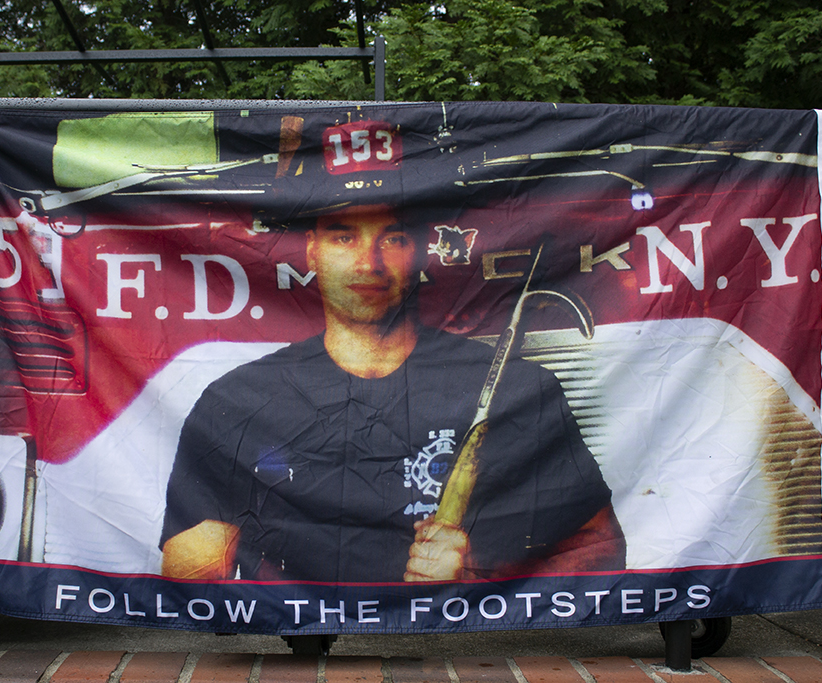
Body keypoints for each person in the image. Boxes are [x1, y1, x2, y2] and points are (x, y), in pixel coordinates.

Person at [159, 200, 626, 583]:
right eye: (344, 236)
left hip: (457, 660)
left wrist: (479, 573)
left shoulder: (520, 389)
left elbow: (601, 549)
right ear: (311, 251)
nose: (369, 262)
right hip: (300, 662)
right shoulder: (236, 400)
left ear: (422, 251)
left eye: (394, 238)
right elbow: (187, 572)